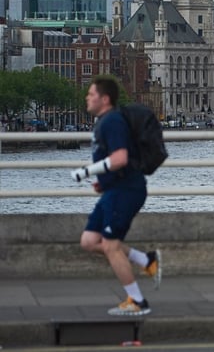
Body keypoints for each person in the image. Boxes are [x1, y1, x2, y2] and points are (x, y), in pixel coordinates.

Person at [73, 76, 161, 316]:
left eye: (91, 94)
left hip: (126, 191)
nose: (87, 98)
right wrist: (103, 181)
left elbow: (120, 158)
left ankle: (137, 301)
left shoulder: (112, 121)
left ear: (105, 99)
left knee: (111, 246)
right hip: (114, 189)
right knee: (89, 241)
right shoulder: (104, 122)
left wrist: (86, 172)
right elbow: (114, 161)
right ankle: (146, 261)